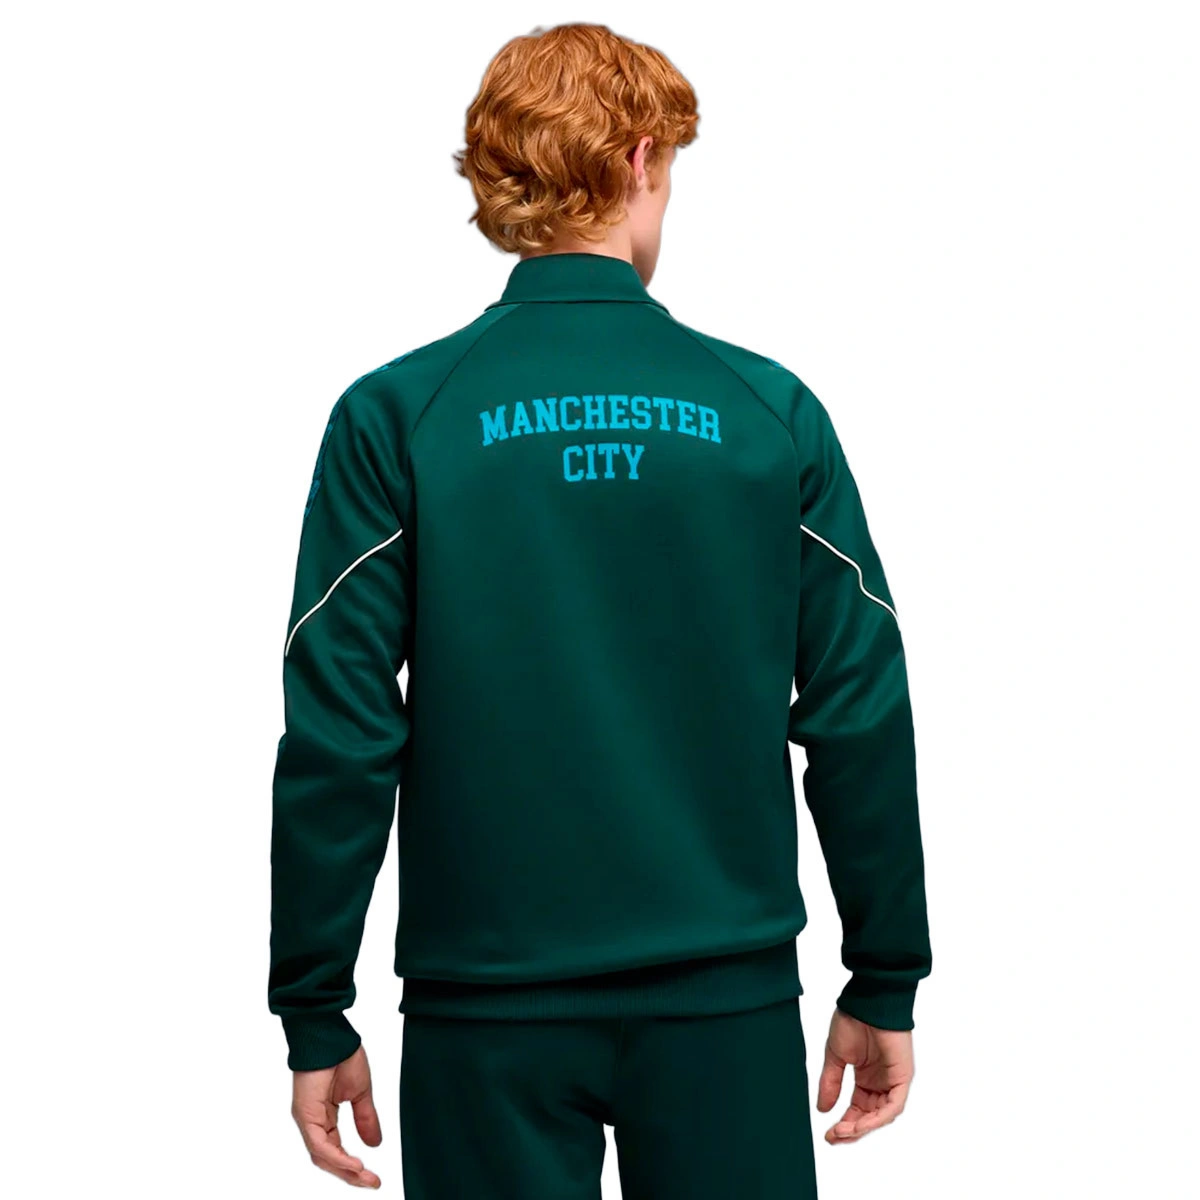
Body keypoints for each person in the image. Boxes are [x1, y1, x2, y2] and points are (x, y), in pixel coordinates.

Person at [268, 21, 932, 1198]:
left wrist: (315, 1006)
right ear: (638, 160)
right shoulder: (768, 414)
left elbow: (342, 735)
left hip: (485, 1012)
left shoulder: (398, 417)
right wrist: (883, 975)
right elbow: (858, 711)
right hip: (725, 1004)